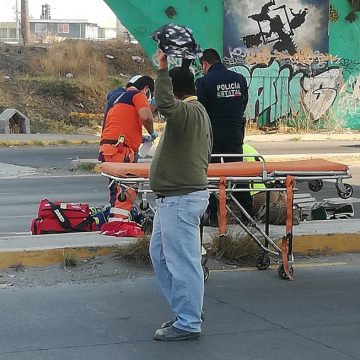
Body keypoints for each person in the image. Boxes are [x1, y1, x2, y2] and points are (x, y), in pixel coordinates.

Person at [149, 48, 213, 341]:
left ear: (174, 91)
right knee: (161, 255)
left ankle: (188, 322)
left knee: (182, 262)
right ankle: (187, 309)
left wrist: (162, 67)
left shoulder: (186, 111)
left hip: (180, 199)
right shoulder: (195, 113)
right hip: (173, 198)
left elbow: (164, 103)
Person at [196, 48, 253, 224]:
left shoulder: (203, 82)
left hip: (212, 135)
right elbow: (243, 103)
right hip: (235, 133)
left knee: (213, 176)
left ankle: (214, 217)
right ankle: (247, 216)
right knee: (238, 173)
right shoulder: (239, 79)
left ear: (204, 64)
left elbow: (201, 110)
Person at [99, 75, 157, 220]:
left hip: (108, 147)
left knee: (116, 188)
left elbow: (119, 124)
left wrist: (140, 138)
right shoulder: (138, 95)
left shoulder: (117, 98)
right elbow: (146, 117)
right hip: (121, 149)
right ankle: (120, 221)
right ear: (146, 89)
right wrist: (152, 132)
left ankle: (114, 218)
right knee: (128, 187)